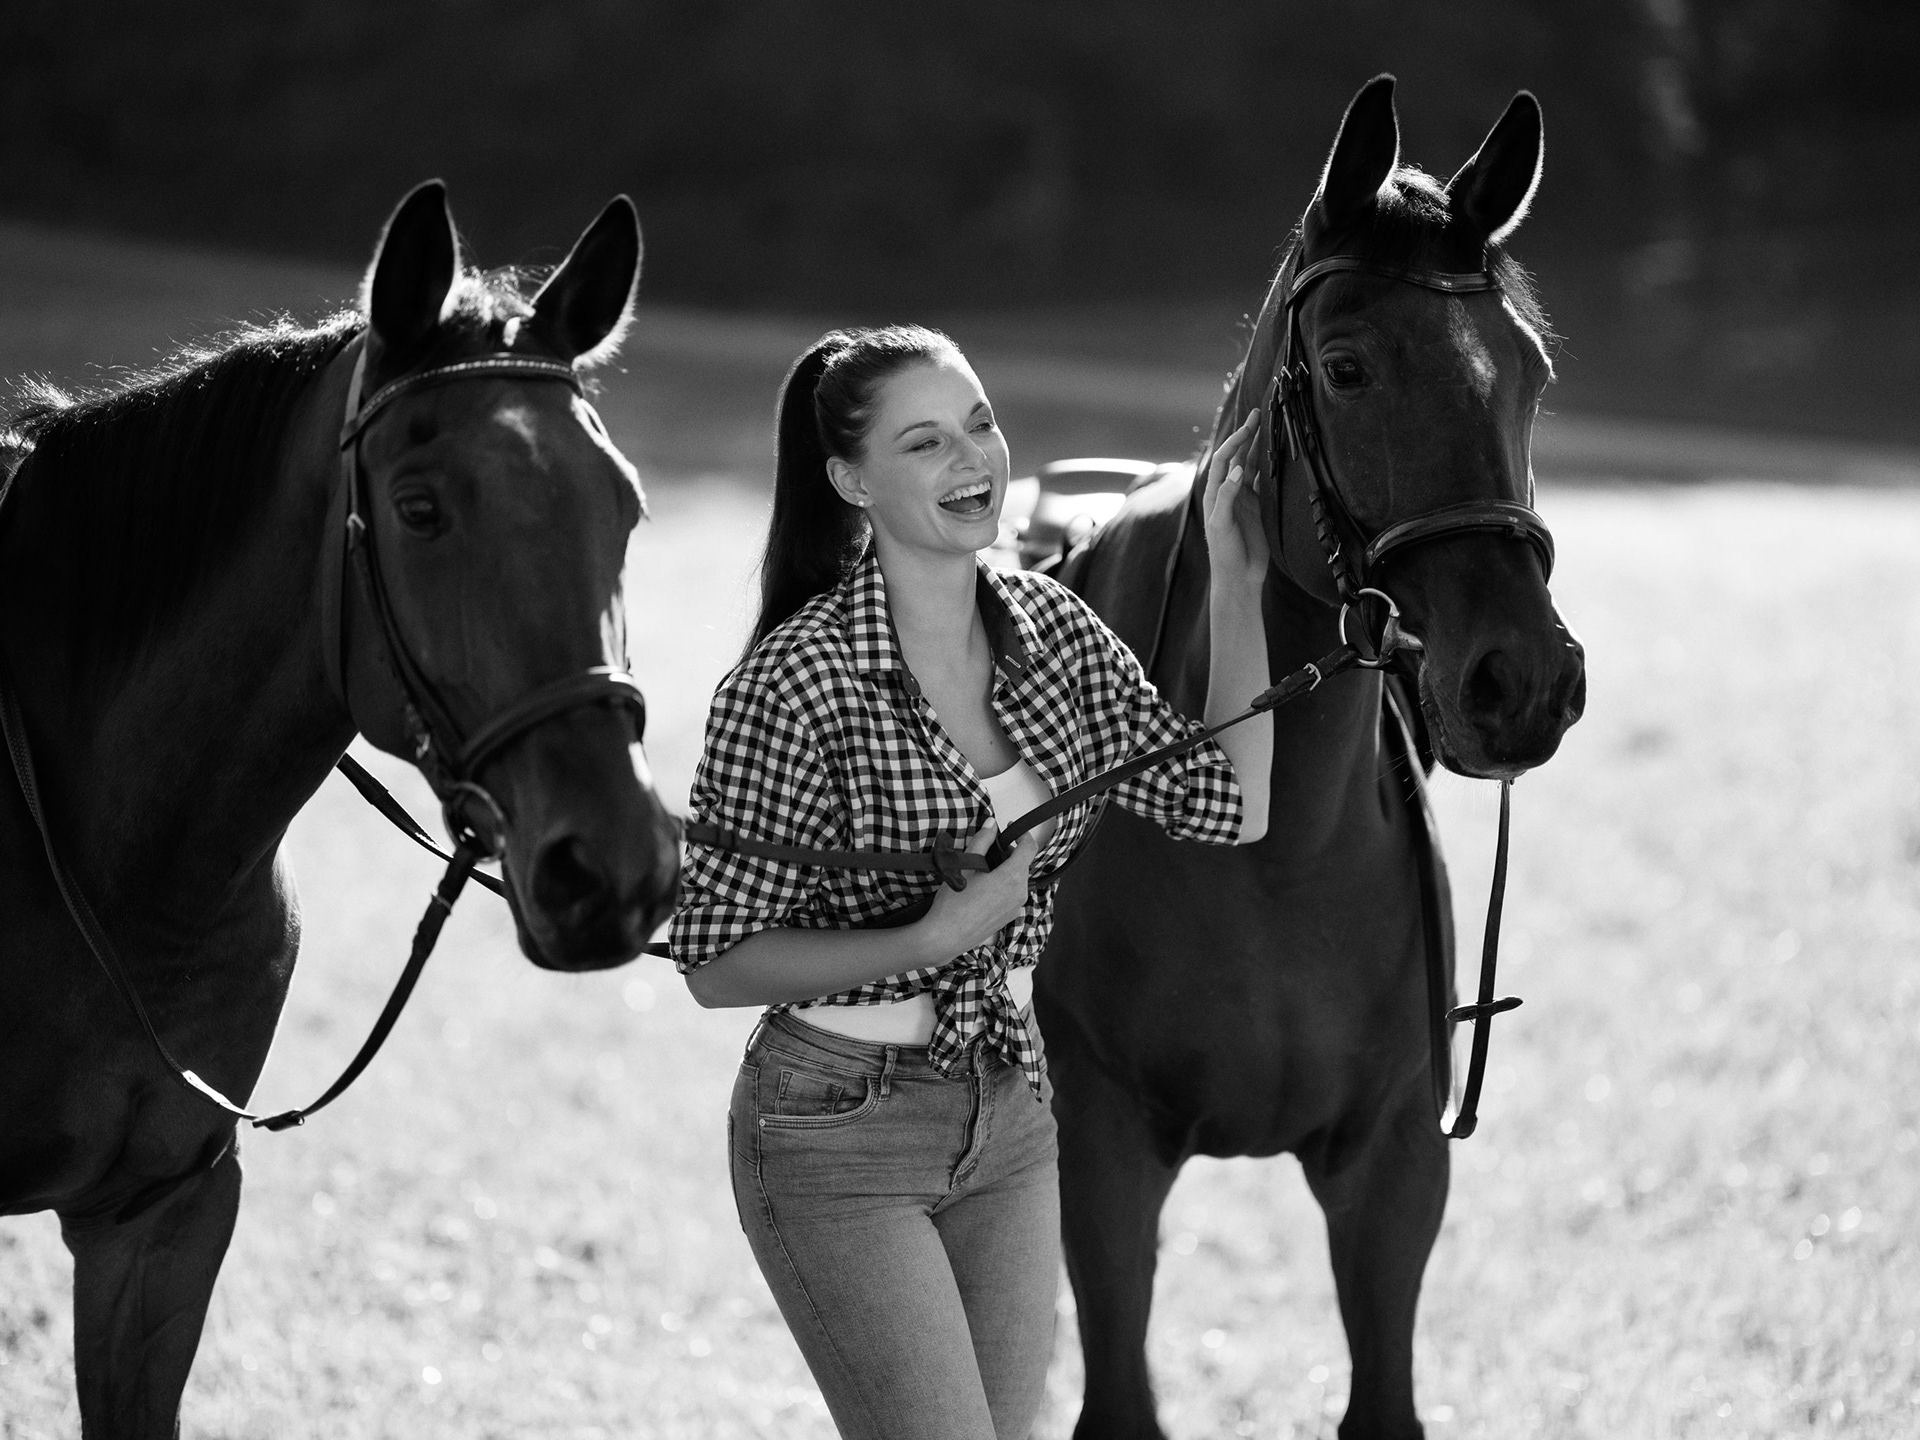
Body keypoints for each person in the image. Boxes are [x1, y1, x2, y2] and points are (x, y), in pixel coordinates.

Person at [670, 325, 1271, 1440]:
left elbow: (1231, 801)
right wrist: (930, 938)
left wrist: (1236, 579)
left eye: (982, 423)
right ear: (851, 481)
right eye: (926, 442)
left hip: (1011, 1113)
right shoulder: (794, 682)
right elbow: (712, 962)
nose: (974, 460)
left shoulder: (1056, 635)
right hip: (834, 1124)